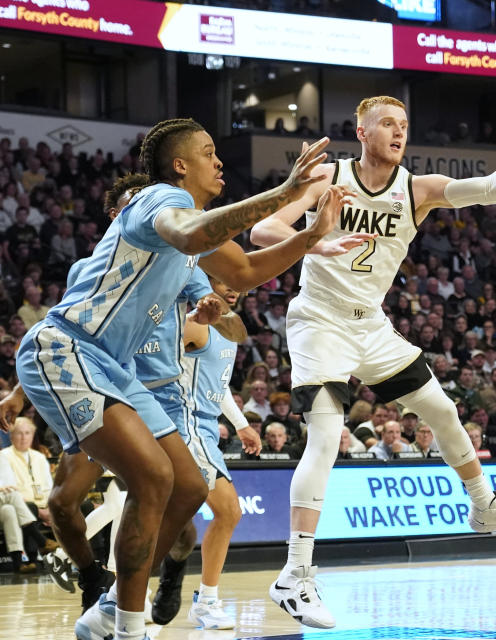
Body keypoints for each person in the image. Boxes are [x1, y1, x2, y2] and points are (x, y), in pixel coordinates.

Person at [7, 118, 361, 640]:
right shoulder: (156, 201)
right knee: (140, 481)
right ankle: (125, 623)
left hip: (116, 369)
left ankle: (109, 608)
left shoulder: (193, 233)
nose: (219, 162)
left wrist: (310, 235)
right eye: (209, 152)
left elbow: (241, 273)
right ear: (180, 165)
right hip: (69, 349)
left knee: (190, 485)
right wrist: (285, 193)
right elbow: (190, 231)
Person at [250, 97, 496, 627]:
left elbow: (489, 190)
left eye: (404, 125)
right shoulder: (327, 177)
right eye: (387, 123)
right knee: (325, 437)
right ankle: (294, 574)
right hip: (320, 320)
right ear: (360, 131)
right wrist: (312, 242)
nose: (397, 132)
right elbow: (263, 231)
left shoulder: (417, 189)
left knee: (442, 410)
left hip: (372, 326)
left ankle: (484, 504)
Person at [180, 273, 262, 629]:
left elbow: (220, 385)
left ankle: (117, 594)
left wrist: (241, 423)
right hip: (185, 423)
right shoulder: (193, 324)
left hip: (206, 426)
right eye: (223, 280)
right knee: (228, 511)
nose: (232, 288)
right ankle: (206, 601)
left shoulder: (230, 334)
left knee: (158, 519)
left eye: (237, 284)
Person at [0, 440, 56, 573]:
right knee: (13, 495)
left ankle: (18, 564)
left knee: (9, 511)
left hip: (3, 503)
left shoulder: (2, 457)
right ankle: (41, 541)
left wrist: (4, 488)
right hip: (5, 497)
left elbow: (10, 482)